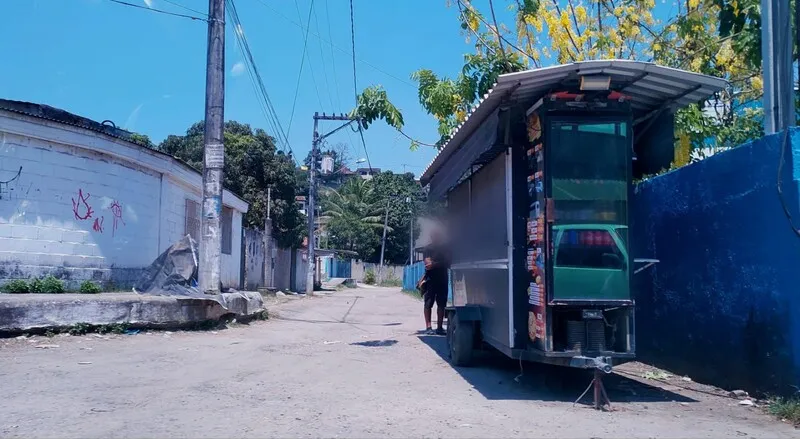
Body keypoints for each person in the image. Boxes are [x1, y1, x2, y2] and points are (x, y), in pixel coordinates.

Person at [423, 231, 450, 335]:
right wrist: (440, 264)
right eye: (434, 236)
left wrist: (434, 264)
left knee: (442, 304)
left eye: (438, 236)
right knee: (428, 303)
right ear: (431, 237)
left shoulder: (445, 249)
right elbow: (428, 264)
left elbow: (448, 262)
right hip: (430, 279)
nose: (436, 238)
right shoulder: (427, 249)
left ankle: (439, 327)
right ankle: (428, 327)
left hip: (442, 279)